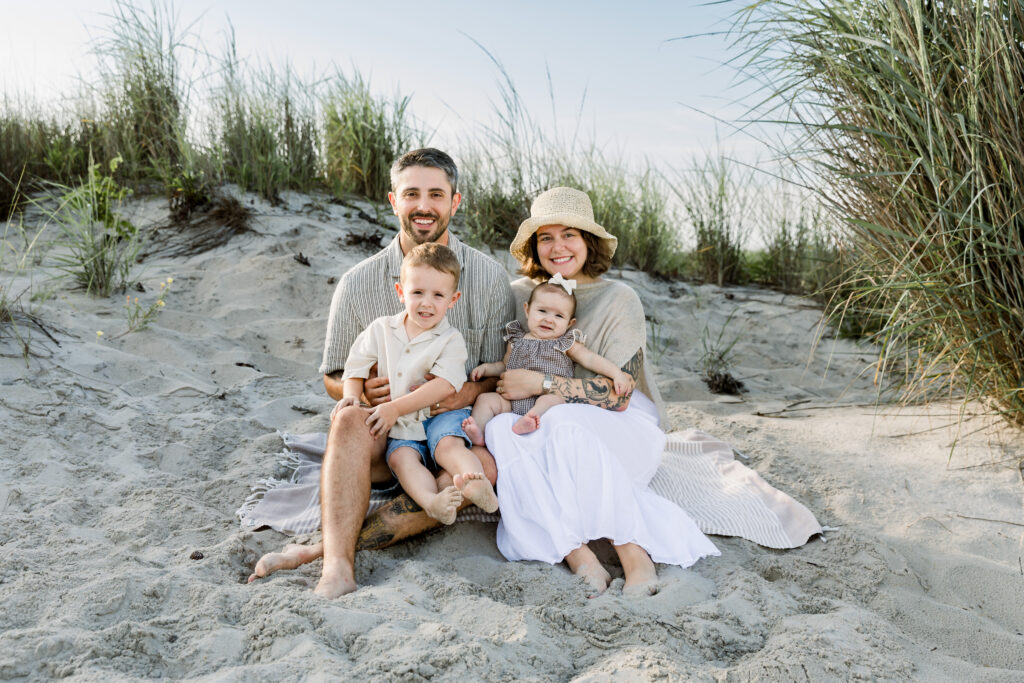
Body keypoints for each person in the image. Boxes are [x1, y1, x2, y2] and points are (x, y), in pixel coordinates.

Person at [248, 148, 515, 598]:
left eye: (436, 193)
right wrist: (361, 390)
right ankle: (336, 568)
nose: (424, 205)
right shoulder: (358, 283)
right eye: (412, 194)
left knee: (478, 471)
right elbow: (333, 376)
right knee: (347, 417)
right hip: (385, 436)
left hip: (453, 431)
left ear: (456, 201)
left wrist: (466, 388)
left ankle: (314, 549)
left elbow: (501, 373)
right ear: (394, 201)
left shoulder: (489, 279)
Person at [484, 186, 719, 595]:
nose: (558, 247)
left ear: (588, 241)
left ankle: (633, 555)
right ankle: (578, 554)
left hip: (621, 424)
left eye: (569, 234)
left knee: (561, 419)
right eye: (546, 237)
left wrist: (542, 383)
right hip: (542, 420)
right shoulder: (521, 294)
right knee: (500, 431)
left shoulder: (619, 298)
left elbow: (617, 395)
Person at [336, 243, 499, 525]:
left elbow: (446, 386)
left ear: (453, 299)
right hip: (402, 426)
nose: (427, 303)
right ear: (401, 292)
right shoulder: (381, 329)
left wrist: (394, 408)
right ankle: (431, 501)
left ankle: (477, 483)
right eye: (417, 293)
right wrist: (352, 394)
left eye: (438, 295)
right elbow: (356, 365)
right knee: (402, 459)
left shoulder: (450, 340)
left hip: (440, 415)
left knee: (449, 446)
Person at [461, 273, 631, 443]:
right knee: (485, 400)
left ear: (570, 323)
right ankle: (478, 433)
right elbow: (505, 365)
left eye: (559, 316)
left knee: (552, 400)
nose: (549, 319)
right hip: (511, 400)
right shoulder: (517, 340)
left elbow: (591, 359)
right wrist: (486, 369)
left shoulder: (565, 343)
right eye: (542, 311)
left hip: (545, 397)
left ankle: (531, 418)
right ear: (527, 310)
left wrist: (616, 373)